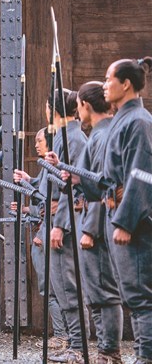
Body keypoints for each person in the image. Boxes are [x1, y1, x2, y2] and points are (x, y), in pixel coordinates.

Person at [101, 57, 152, 364]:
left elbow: (141, 173)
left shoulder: (139, 121)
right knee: (132, 292)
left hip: (134, 219)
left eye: (109, 79)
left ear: (126, 84)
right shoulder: (125, 119)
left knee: (140, 294)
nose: (105, 85)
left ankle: (146, 356)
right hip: (118, 211)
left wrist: (126, 222)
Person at [69, 82, 122, 363]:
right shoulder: (102, 135)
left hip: (99, 222)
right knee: (97, 290)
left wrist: (90, 229)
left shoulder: (102, 137)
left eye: (79, 106)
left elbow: (104, 188)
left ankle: (108, 352)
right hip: (97, 219)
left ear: (86, 105)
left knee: (103, 291)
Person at [42, 88, 90, 363]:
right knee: (62, 285)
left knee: (68, 285)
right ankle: (74, 342)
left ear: (53, 109)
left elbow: (70, 187)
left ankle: (78, 345)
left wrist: (60, 223)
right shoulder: (64, 137)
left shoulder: (73, 139)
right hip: (61, 218)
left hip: (68, 222)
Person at [12, 128, 68, 352]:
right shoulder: (46, 168)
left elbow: (51, 206)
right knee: (52, 288)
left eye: (40, 140)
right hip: (44, 232)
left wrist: (40, 233)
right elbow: (43, 198)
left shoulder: (54, 165)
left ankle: (63, 335)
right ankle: (64, 334)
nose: (36, 144)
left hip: (47, 235)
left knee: (51, 288)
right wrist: (29, 182)